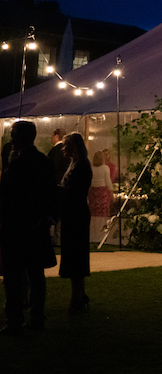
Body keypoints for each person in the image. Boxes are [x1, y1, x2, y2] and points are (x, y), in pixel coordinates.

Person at [0, 120, 57, 335]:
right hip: (36, 226)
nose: (11, 139)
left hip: (18, 227)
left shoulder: (18, 163)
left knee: (14, 276)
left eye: (13, 134)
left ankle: (14, 319)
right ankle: (36, 317)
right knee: (36, 275)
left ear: (22, 137)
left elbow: (10, 196)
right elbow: (52, 194)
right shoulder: (43, 160)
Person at [59, 132, 93, 314]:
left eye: (66, 145)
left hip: (76, 214)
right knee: (74, 254)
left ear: (74, 147)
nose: (63, 149)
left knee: (76, 255)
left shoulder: (81, 166)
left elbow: (75, 192)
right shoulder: (76, 164)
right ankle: (80, 295)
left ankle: (76, 299)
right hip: (72, 213)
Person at [88, 149, 114, 243]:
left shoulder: (91, 168)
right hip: (102, 193)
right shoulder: (105, 168)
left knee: (94, 215)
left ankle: (93, 235)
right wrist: (112, 194)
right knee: (102, 214)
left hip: (93, 193)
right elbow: (108, 182)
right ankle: (102, 236)